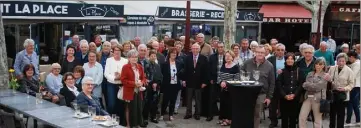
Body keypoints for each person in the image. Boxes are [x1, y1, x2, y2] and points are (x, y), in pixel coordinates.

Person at [241, 45, 275, 128]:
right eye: (258, 52)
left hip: (261, 94)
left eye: (262, 52)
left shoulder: (269, 66)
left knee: (257, 115)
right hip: (248, 93)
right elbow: (240, 74)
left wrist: (269, 97)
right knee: (246, 114)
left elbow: (272, 83)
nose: (260, 54)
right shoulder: (247, 63)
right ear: (255, 52)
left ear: (265, 53)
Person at [298, 58, 331, 128]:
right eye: (316, 64)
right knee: (302, 117)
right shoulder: (310, 73)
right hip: (307, 98)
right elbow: (304, 85)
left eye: (320, 64)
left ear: (324, 65)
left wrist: (308, 85)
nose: (318, 66)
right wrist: (309, 85)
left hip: (318, 100)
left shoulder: (325, 75)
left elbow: (318, 87)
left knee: (317, 120)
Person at [277, 53, 305, 128]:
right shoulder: (281, 72)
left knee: (293, 118)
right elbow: (279, 85)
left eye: (291, 59)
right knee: (284, 118)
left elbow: (301, 85)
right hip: (284, 98)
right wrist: (284, 95)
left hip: (295, 98)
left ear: (294, 60)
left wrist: (294, 94)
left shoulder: (300, 71)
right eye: (288, 59)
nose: (290, 60)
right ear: (285, 60)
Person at [120, 49, 147, 128]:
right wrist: (134, 83)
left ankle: (137, 124)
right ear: (128, 58)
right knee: (129, 109)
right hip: (129, 91)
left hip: (138, 91)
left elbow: (143, 78)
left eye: (136, 57)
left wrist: (141, 83)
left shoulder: (140, 67)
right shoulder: (125, 67)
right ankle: (128, 125)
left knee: (138, 108)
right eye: (132, 57)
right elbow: (123, 80)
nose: (134, 59)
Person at [182, 43, 208, 120]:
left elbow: (205, 71)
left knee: (198, 99)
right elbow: (185, 70)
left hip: (199, 82)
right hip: (189, 81)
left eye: (197, 48)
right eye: (194, 48)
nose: (195, 50)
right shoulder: (187, 58)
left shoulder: (204, 58)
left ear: (199, 49)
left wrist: (204, 82)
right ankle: (188, 113)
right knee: (188, 99)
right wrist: (184, 80)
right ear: (191, 49)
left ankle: (197, 114)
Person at [328, 53, 355, 128]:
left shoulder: (349, 71)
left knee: (341, 114)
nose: (341, 63)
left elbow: (352, 84)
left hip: (342, 95)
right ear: (337, 61)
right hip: (333, 94)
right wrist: (330, 81)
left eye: (343, 61)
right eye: (339, 61)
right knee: (332, 114)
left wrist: (345, 88)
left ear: (345, 61)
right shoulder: (332, 68)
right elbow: (329, 80)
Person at [104, 45, 128, 115]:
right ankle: (109, 118)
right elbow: (106, 73)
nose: (117, 52)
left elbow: (126, 73)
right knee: (111, 104)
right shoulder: (109, 60)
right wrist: (114, 78)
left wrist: (121, 76)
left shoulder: (125, 61)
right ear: (113, 51)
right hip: (111, 84)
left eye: (119, 50)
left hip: (121, 84)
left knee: (120, 104)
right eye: (115, 50)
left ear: (121, 52)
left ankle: (119, 122)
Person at [159, 47, 182, 121]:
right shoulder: (164, 64)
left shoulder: (179, 63)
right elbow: (161, 74)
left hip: (175, 85)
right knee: (165, 100)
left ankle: (171, 115)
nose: (173, 54)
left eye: (175, 53)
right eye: (172, 53)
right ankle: (162, 114)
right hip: (167, 85)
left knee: (173, 100)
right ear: (169, 54)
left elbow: (181, 73)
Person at [218, 51, 240, 126]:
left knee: (229, 105)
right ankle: (223, 118)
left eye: (229, 56)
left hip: (231, 90)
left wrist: (226, 83)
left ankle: (229, 120)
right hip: (223, 89)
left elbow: (237, 79)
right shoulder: (223, 65)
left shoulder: (236, 67)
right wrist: (221, 82)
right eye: (226, 56)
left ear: (232, 57)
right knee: (223, 104)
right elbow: (219, 76)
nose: (227, 57)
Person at [267, 43, 286, 128]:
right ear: (275, 51)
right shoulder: (270, 59)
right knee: (272, 105)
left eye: (282, 50)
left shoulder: (288, 59)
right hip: (273, 85)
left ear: (284, 51)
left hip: (284, 86)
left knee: (284, 105)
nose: (280, 52)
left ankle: (284, 121)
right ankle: (273, 121)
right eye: (278, 50)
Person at [143, 50, 163, 124]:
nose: (153, 57)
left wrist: (157, 83)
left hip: (156, 87)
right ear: (149, 56)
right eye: (151, 56)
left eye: (154, 56)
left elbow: (160, 76)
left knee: (155, 103)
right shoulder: (146, 65)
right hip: (148, 87)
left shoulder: (157, 66)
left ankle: (153, 117)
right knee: (147, 102)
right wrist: (152, 83)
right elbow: (145, 76)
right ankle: (145, 118)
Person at [207, 41, 225, 122]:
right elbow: (209, 69)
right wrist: (210, 79)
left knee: (223, 100)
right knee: (212, 99)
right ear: (216, 48)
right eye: (219, 47)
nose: (220, 48)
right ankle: (210, 115)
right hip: (214, 80)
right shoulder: (212, 57)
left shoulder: (226, 56)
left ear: (224, 47)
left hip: (224, 82)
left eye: (222, 47)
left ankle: (222, 116)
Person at [345, 51, 360, 126]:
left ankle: (348, 122)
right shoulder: (355, 63)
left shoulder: (357, 64)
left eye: (348, 57)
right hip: (355, 86)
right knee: (354, 104)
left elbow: (352, 75)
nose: (348, 59)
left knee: (350, 103)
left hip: (354, 86)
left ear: (351, 57)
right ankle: (358, 121)